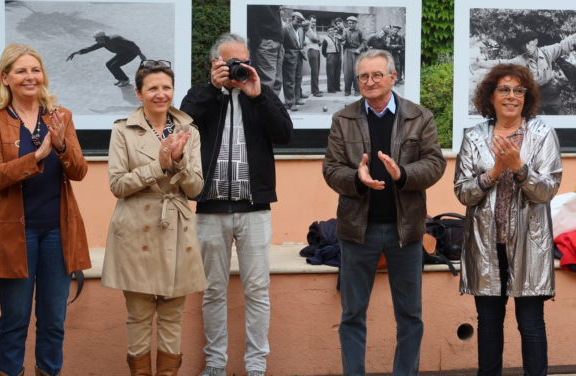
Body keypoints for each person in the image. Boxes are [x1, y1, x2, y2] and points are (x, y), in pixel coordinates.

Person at [322, 49, 446, 375]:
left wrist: (402, 174)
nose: (370, 81)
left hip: (405, 231)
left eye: (377, 74)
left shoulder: (419, 117)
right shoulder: (343, 119)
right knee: (352, 315)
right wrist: (356, 179)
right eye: (363, 76)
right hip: (356, 231)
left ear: (393, 77)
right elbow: (331, 170)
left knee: (409, 316)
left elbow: (435, 164)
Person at [180, 33, 293, 376]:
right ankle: (215, 364)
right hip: (211, 209)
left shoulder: (260, 92)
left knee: (257, 291)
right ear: (214, 63)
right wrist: (213, 91)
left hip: (254, 209)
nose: (236, 68)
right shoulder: (201, 95)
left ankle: (256, 366)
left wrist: (258, 97)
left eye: (242, 61)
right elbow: (182, 126)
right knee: (213, 292)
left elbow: (285, 134)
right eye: (229, 62)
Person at [0, 43, 90, 376]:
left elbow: (80, 171)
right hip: (15, 234)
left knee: (54, 321)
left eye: (35, 70)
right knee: (14, 320)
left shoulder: (60, 117)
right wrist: (37, 156)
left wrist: (60, 145)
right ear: (6, 78)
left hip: (58, 231)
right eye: (22, 71)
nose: (30, 77)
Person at [454, 63, 562, 376]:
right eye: (504, 89)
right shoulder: (475, 137)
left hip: (529, 245)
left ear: (526, 97)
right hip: (485, 244)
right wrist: (493, 173)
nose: (511, 96)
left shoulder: (542, 134)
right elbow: (463, 193)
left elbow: (547, 190)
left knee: (530, 324)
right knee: (488, 325)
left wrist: (519, 167)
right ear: (491, 95)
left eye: (518, 90)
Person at [101, 60, 207, 376]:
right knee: (139, 317)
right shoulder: (123, 130)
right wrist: (157, 166)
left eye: (166, 87)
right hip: (135, 229)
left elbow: (196, 188)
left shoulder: (189, 131)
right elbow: (117, 185)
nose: (161, 94)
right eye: (153, 88)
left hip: (176, 227)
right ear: (139, 93)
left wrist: (177, 163)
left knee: (173, 318)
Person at [473, 31, 576, 114]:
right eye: (523, 45)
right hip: (534, 97)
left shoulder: (547, 52)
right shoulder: (521, 60)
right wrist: (480, 64)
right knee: (533, 126)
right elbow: (503, 63)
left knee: (562, 121)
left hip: (552, 94)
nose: (526, 47)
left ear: (535, 41)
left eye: (528, 43)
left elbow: (564, 45)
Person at [66, 31, 146, 87]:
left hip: (131, 53)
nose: (96, 40)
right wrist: (77, 52)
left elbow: (131, 44)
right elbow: (91, 48)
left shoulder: (115, 39)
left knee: (115, 65)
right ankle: (120, 79)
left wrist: (140, 54)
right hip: (122, 53)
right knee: (108, 64)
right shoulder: (103, 42)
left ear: (102, 37)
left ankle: (125, 80)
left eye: (97, 39)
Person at [247, 5, 283, 95]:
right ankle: (266, 108)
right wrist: (258, 42)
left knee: (277, 81)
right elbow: (251, 19)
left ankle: (273, 107)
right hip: (266, 42)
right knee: (268, 82)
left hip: (277, 42)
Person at [281, 11, 307, 111]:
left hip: (299, 57)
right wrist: (284, 58)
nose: (299, 23)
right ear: (292, 19)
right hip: (288, 58)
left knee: (298, 78)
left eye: (301, 22)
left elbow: (300, 43)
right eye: (297, 21)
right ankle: (290, 102)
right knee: (289, 81)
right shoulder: (285, 29)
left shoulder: (300, 30)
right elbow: (281, 44)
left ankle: (296, 99)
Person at [341, 16, 366, 96]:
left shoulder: (360, 31)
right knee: (347, 72)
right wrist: (341, 38)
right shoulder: (345, 30)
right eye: (349, 23)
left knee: (357, 72)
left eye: (352, 23)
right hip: (347, 52)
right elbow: (342, 39)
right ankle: (347, 90)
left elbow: (364, 42)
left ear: (355, 23)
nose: (350, 25)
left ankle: (357, 90)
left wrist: (359, 49)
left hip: (357, 53)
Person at [305, 15, 323, 97]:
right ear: (309, 21)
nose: (313, 24)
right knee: (315, 72)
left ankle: (314, 89)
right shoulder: (307, 29)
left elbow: (319, 42)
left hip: (316, 50)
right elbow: (314, 39)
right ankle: (316, 91)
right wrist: (318, 40)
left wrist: (318, 40)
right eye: (312, 22)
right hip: (312, 50)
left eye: (315, 22)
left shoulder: (314, 30)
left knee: (316, 72)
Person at [322, 26, 342, 93]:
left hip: (337, 55)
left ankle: (337, 87)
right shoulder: (326, 39)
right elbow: (323, 50)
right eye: (330, 30)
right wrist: (328, 56)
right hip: (330, 55)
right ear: (328, 31)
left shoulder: (336, 38)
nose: (332, 31)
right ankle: (330, 89)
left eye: (332, 30)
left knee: (337, 72)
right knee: (331, 73)